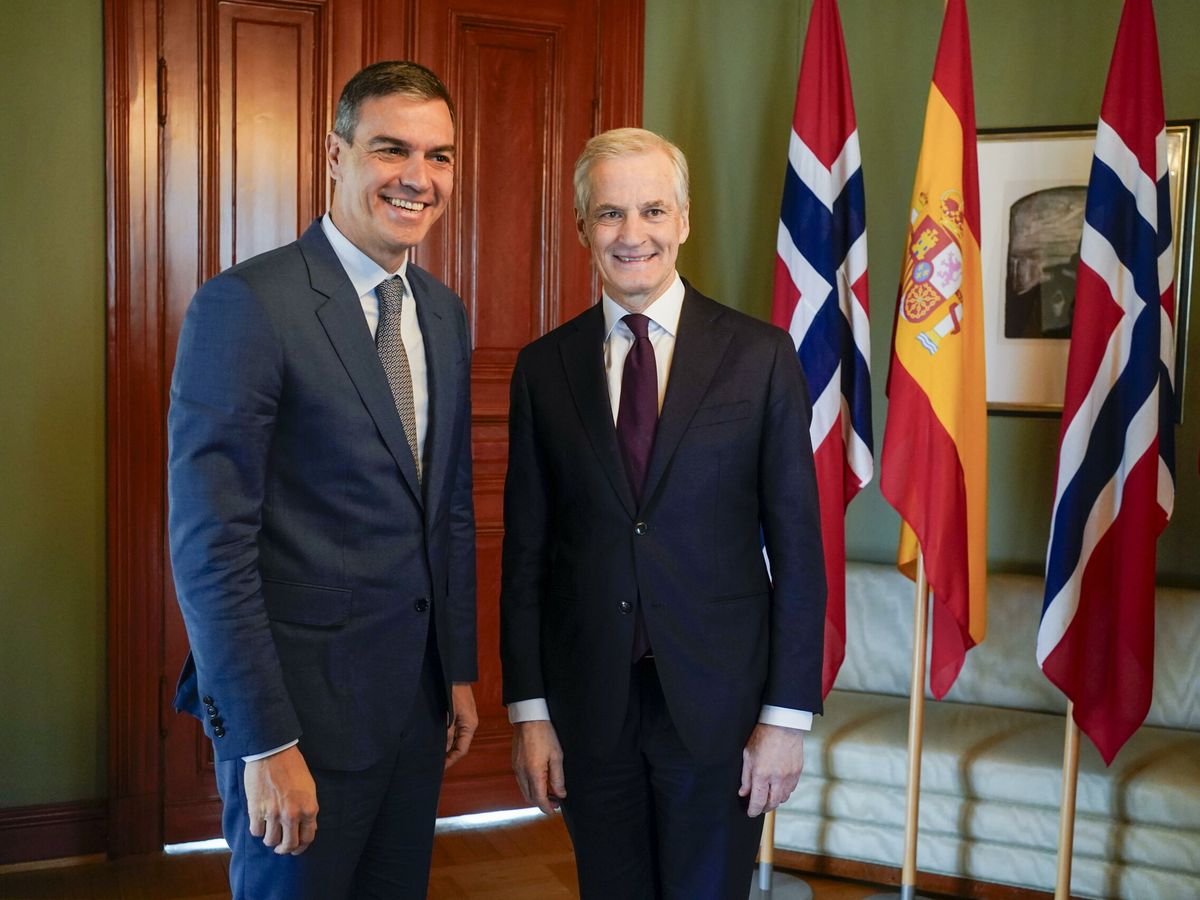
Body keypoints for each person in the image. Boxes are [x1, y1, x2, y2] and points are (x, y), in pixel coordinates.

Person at [168, 61, 478, 899]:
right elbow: (210, 547)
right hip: (296, 726)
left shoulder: (444, 312)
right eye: (391, 150)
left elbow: (446, 507)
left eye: (440, 156)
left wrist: (455, 671)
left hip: (414, 715)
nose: (418, 178)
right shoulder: (247, 306)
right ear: (334, 154)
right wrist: (262, 744)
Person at [500, 128, 827, 899]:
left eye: (652, 210)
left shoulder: (761, 356)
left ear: (683, 220)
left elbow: (801, 552)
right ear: (582, 228)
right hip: (589, 710)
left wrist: (786, 718)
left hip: (720, 712)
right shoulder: (543, 369)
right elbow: (526, 556)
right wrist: (531, 712)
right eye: (610, 214)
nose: (632, 233)